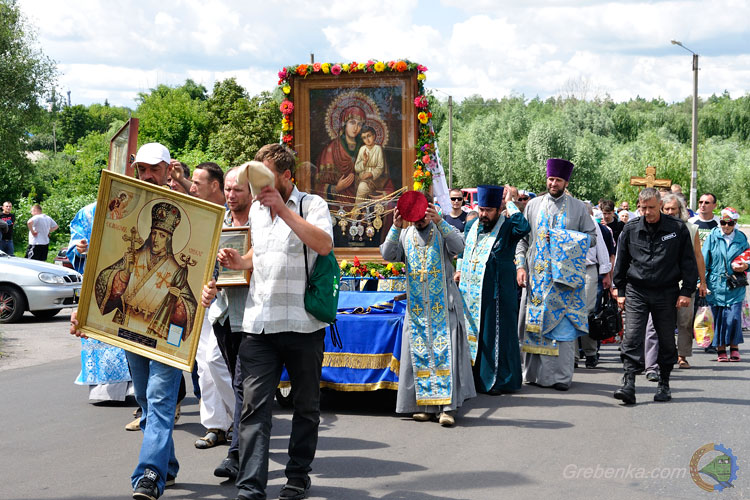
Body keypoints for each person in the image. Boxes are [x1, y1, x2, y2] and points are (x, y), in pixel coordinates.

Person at [71, 142, 203, 500]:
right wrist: (88, 304)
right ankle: (167, 465)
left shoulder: (192, 206)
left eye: (154, 169)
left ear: (167, 168)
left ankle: (149, 475)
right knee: (145, 399)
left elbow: (193, 293)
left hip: (165, 339)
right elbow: (105, 270)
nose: (147, 175)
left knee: (160, 399)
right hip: (129, 331)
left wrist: (179, 307)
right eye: (141, 170)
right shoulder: (128, 230)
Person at [206, 143, 333, 500]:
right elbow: (256, 257)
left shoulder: (313, 205)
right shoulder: (259, 212)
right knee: (253, 409)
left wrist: (283, 210)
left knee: (306, 407)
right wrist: (238, 262)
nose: (259, 190)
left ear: (287, 177)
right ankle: (250, 487)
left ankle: (296, 476)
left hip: (303, 326)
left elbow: (324, 244)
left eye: (267, 181)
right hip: (258, 327)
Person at [381, 191, 475, 426]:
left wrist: (440, 222)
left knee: (446, 358)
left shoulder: (440, 230)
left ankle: (447, 409)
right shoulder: (406, 234)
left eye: (423, 215)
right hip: (418, 310)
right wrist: (395, 227)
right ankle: (424, 406)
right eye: (415, 217)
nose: (420, 220)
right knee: (420, 357)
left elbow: (460, 247)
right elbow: (388, 255)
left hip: (444, 307)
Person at [516, 159, 597, 391]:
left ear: (566, 182)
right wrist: (520, 267)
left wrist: (564, 238)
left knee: (562, 330)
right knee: (534, 326)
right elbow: (522, 240)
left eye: (558, 180)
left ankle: (560, 378)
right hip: (536, 281)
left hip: (564, 282)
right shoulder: (532, 205)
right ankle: (533, 375)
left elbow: (592, 238)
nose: (553, 183)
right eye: (550, 179)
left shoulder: (578, 207)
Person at [612, 188, 698, 405]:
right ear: (638, 207)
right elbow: (621, 262)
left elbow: (688, 262)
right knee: (631, 337)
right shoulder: (631, 229)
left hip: (666, 291)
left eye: (651, 207)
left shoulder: (676, 229)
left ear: (660, 204)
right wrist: (620, 291)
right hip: (637, 291)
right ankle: (629, 383)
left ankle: (664, 383)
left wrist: (686, 291)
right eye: (643, 208)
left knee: (666, 339)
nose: (648, 212)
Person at [457, 185, 530, 394]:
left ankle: (498, 380)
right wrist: (459, 270)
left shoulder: (507, 226)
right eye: (481, 209)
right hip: (472, 290)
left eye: (488, 210)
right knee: (476, 334)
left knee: (496, 334)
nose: (483, 214)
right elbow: (463, 250)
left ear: (498, 209)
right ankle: (474, 378)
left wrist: (509, 202)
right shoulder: (472, 226)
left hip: (499, 289)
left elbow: (524, 227)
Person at [188, 162, 235, 450]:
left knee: (218, 362)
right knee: (204, 363)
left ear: (214, 186)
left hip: (231, 301)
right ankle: (216, 425)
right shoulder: (200, 215)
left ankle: (243, 419)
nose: (191, 188)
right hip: (203, 298)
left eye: (197, 183)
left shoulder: (233, 217)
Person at [67, 201, 133, 402]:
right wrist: (79, 249)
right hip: (99, 279)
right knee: (100, 336)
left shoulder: (135, 206)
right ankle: (104, 390)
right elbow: (74, 246)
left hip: (128, 279)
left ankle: (135, 388)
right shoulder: (88, 213)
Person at [210, 166, 252, 481]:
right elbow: (205, 266)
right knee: (243, 389)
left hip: (251, 317)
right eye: (227, 189)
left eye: (237, 189)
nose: (230, 195)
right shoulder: (217, 224)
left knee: (241, 385)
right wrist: (209, 283)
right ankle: (247, 443)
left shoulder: (262, 226)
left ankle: (235, 455)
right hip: (223, 315)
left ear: (251, 191)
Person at [643, 194, 707, 373]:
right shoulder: (655, 226)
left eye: (674, 209)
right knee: (656, 323)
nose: (670, 212)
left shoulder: (691, 228)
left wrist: (702, 281)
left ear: (681, 210)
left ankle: (682, 355)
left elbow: (697, 256)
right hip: (662, 284)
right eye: (667, 209)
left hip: (685, 284)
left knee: (684, 321)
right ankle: (655, 358)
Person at [703, 207, 749, 362]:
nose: (726, 226)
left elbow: (748, 257)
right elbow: (703, 260)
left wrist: (745, 266)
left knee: (734, 318)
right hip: (715, 285)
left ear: (735, 222)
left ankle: (734, 347)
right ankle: (721, 349)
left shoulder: (742, 238)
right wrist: (701, 282)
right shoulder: (712, 237)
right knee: (718, 318)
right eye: (723, 222)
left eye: (730, 223)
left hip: (734, 284)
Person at [579, 205, 612, 369]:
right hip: (565, 270)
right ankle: (572, 356)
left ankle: (590, 353)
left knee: (587, 312)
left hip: (588, 269)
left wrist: (606, 273)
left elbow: (601, 247)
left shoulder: (590, 220)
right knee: (569, 315)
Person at [354, 125, 386, 204]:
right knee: (361, 186)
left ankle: (356, 212)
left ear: (374, 136)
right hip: (362, 178)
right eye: (364, 137)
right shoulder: (362, 149)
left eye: (369, 136)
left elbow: (380, 167)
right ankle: (361, 212)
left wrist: (370, 174)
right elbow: (356, 168)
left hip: (375, 179)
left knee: (362, 188)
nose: (367, 140)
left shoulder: (378, 149)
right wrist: (364, 161)